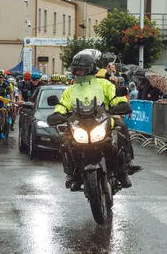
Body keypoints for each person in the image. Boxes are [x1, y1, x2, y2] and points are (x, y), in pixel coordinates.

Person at [47, 53, 141, 191]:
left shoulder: (104, 84)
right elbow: (62, 105)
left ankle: (125, 167)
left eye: (81, 69)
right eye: (76, 69)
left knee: (121, 126)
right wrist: (57, 113)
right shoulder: (71, 90)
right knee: (65, 139)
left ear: (90, 69)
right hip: (79, 123)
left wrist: (121, 104)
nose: (78, 72)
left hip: (102, 119)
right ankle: (72, 174)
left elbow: (116, 97)